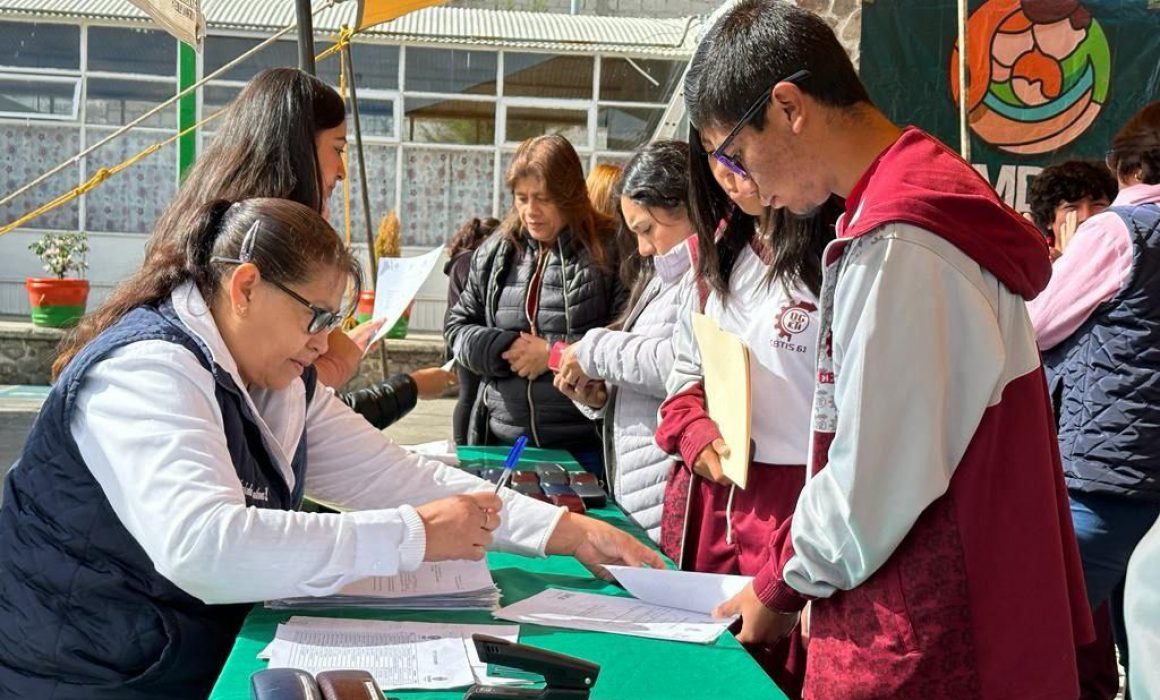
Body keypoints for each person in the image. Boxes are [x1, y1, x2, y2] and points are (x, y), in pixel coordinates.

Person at [0, 197, 664, 699]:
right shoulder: (147, 371)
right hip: (78, 670)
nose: (327, 344)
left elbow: (389, 474)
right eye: (317, 318)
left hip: (153, 652)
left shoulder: (269, 373)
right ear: (246, 287)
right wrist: (409, 536)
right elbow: (204, 546)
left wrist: (562, 530)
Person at [688, 3, 1092, 698]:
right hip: (938, 595)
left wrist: (784, 582)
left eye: (734, 155)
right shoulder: (902, 209)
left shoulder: (903, 241)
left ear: (787, 106)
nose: (748, 186)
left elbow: (874, 475)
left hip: (933, 620)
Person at [138, 66, 455, 428]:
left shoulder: (207, 225)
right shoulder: (261, 239)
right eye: (337, 149)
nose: (342, 171)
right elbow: (280, 411)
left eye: (325, 319)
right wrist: (389, 383)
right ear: (244, 287)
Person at [648, 120, 838, 695]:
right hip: (716, 502)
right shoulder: (720, 254)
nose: (728, 174)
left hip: (802, 507)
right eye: (712, 157)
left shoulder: (842, 256)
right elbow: (684, 376)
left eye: (736, 153)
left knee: (782, 676)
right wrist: (693, 432)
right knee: (708, 672)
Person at [1028, 101, 1160, 697]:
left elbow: (1034, 325)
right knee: (1145, 651)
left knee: (1040, 635)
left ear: (1127, 167)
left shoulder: (1116, 229)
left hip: (1105, 480)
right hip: (1143, 478)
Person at [444, 135, 624, 477]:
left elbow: (625, 340)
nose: (531, 211)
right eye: (522, 198)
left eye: (543, 199)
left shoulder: (610, 250)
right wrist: (503, 347)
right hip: (502, 443)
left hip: (583, 449)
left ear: (569, 195)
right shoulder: (497, 251)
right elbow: (456, 329)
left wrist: (554, 356)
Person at [550, 140, 696, 542]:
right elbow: (647, 371)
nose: (645, 248)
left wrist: (594, 350)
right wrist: (600, 396)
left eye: (647, 230)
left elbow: (680, 364)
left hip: (666, 488)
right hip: (641, 487)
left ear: (685, 206)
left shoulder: (703, 276)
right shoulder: (664, 276)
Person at [445, 216, 501, 445]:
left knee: (468, 393)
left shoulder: (462, 260)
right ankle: (462, 443)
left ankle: (464, 442)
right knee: (469, 394)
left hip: (467, 335)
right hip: (469, 336)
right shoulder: (469, 261)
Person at [1027, 160, 1117, 251]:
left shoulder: (1126, 258)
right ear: (1048, 220)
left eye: (1098, 205)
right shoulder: (1034, 261)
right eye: (1071, 207)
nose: (1086, 216)